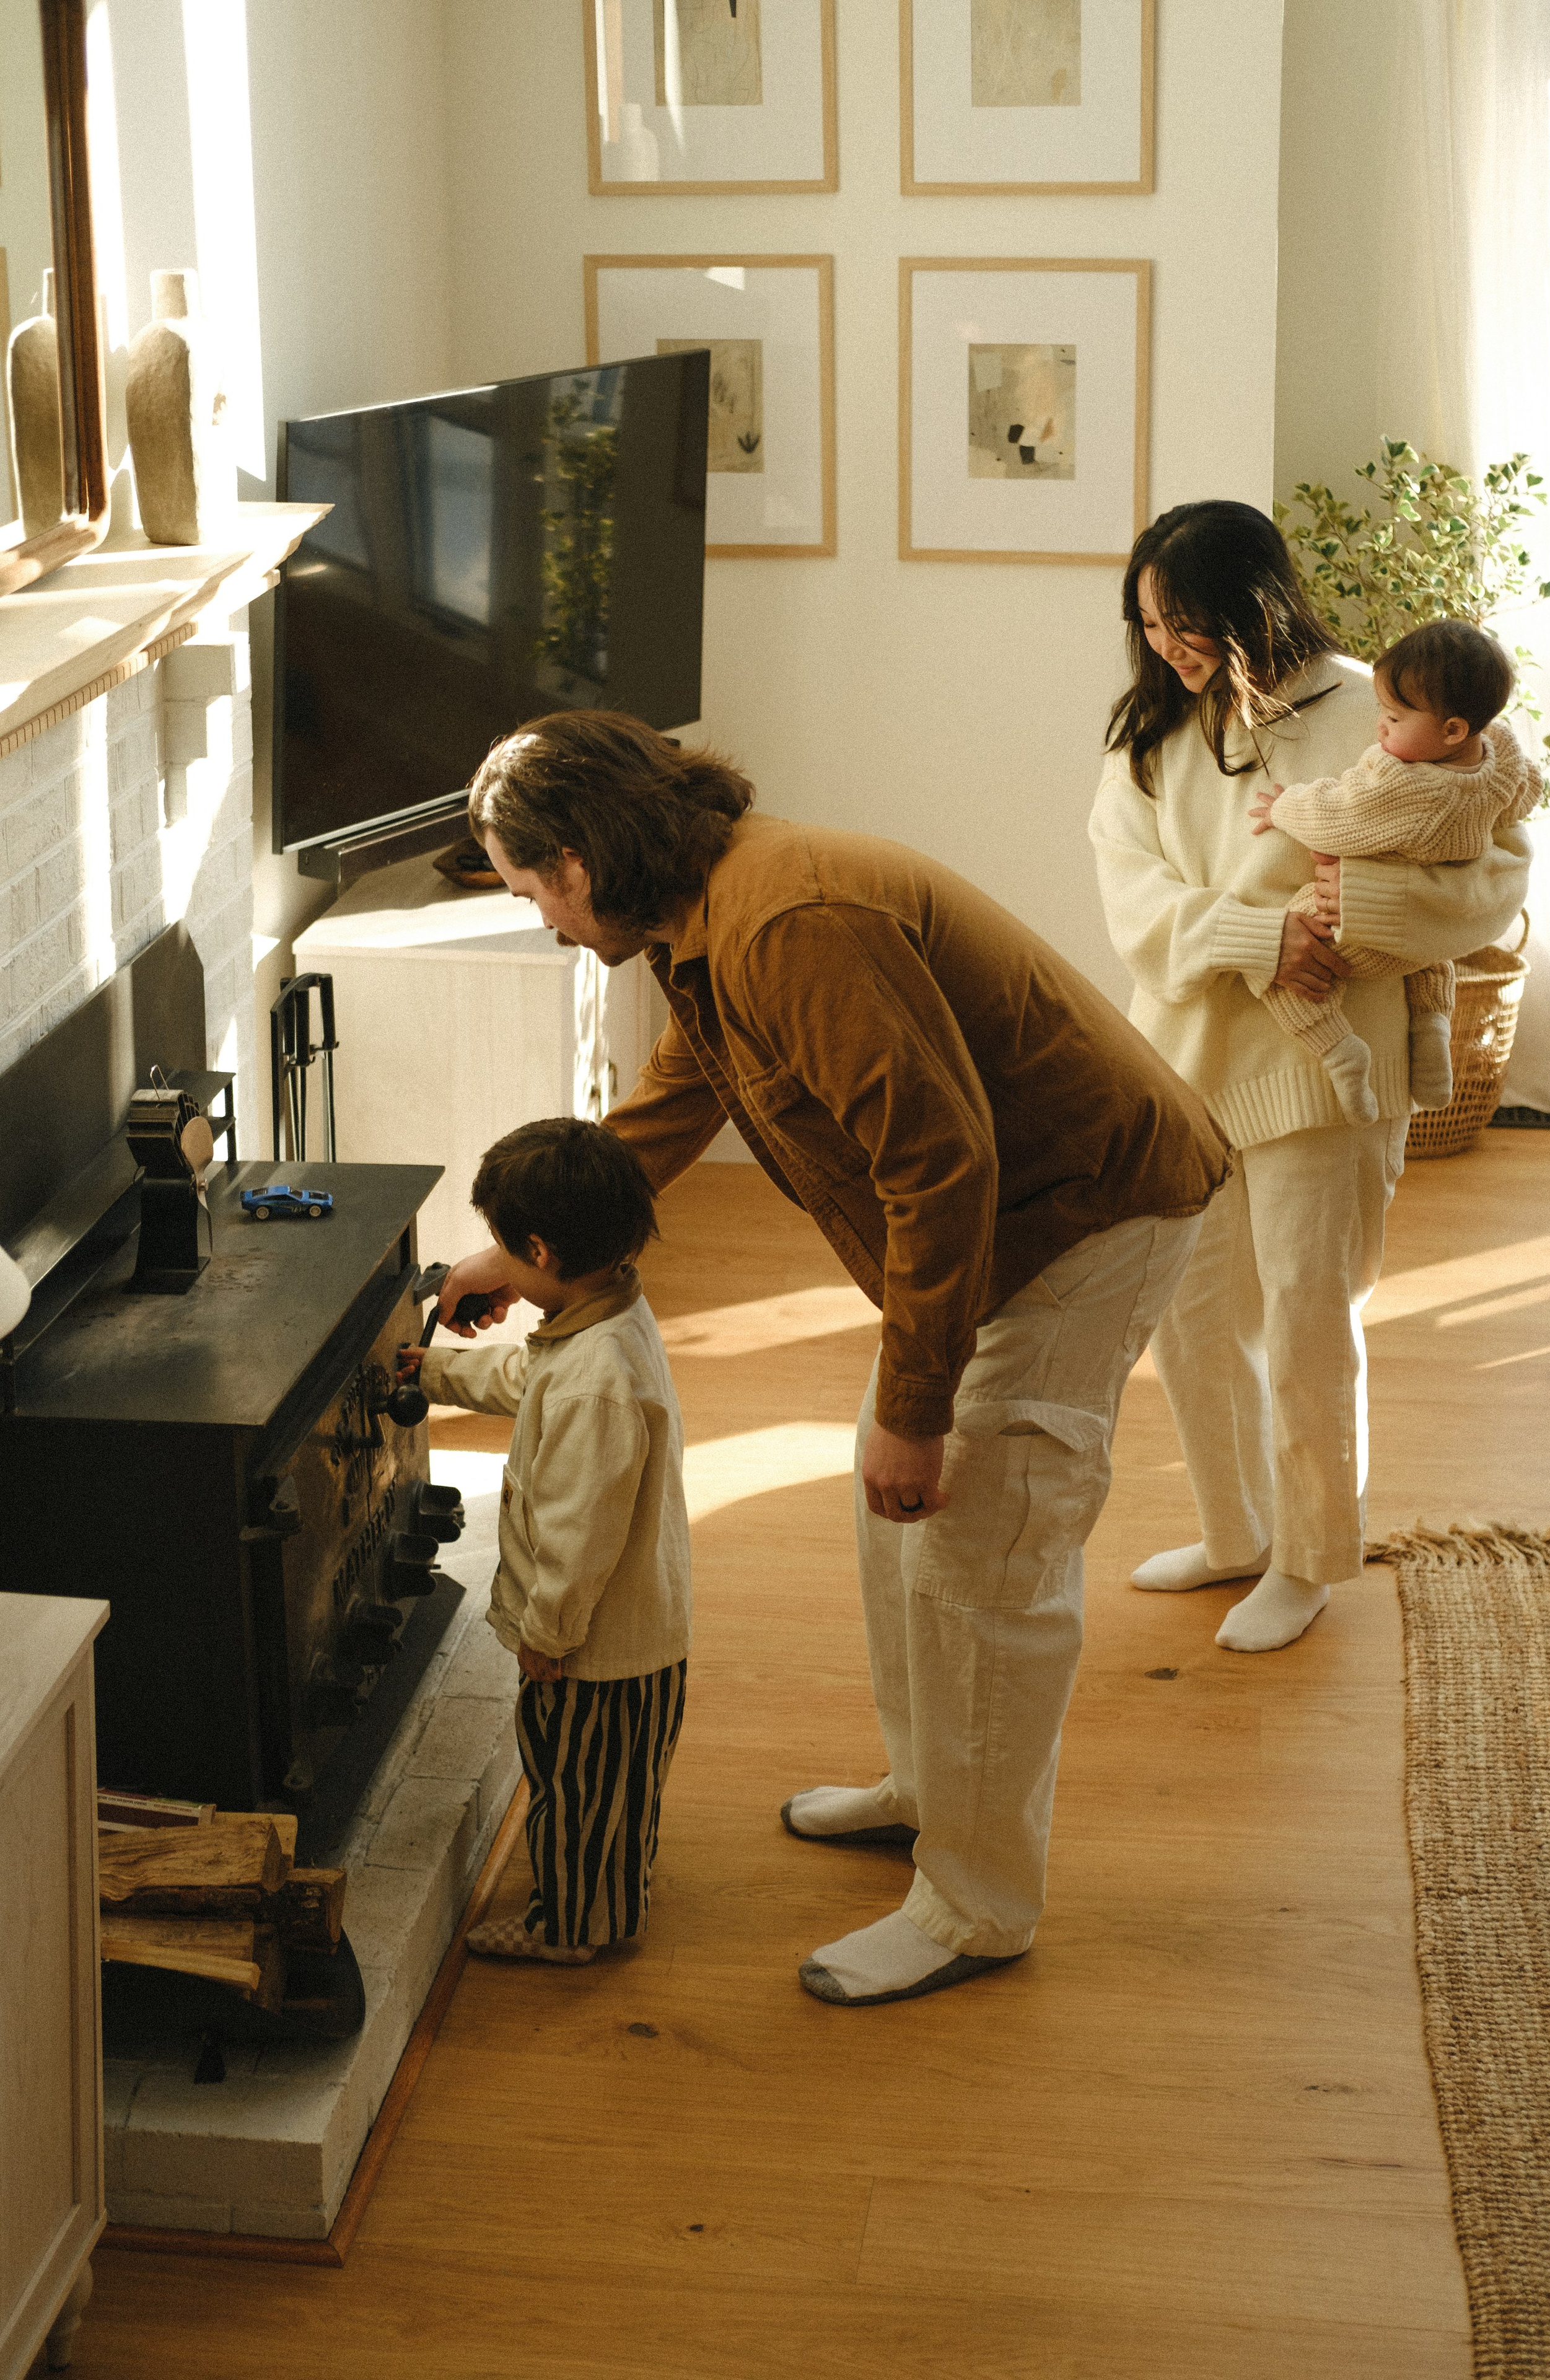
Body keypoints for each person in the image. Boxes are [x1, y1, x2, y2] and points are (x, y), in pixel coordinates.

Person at [436, 709, 1230, 2008]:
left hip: (1081, 1213)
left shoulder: (784, 923)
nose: (540, 920)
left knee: (979, 1550)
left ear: (578, 860)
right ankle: (931, 1790)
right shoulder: (708, 911)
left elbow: (940, 1161)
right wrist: (524, 1255)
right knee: (893, 1528)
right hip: (1001, 1221)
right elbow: (684, 1089)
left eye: (530, 891)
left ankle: (976, 1906)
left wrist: (918, 1408)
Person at [1090, 502, 1530, 1654]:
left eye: (1186, 623)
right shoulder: (1147, 736)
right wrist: (1257, 938)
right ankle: (1237, 1530)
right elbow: (1131, 902)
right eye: (1148, 623)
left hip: (1324, 1077)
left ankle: (1307, 1556)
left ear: (1252, 606)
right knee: (1190, 1316)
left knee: (1307, 1321)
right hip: (1185, 1066)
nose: (1167, 647)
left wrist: (1354, 915)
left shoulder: (1378, 708)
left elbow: (1491, 887)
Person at [400, 1117, 690, 1964]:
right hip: (639, 1639)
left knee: (572, 1784)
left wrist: (546, 1636)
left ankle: (570, 1928)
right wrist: (431, 1372)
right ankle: (615, 1891)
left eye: (505, 1252)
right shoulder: (604, 1317)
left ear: (541, 1251)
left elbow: (578, 1536)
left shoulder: (593, 1388)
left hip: (594, 1652)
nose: (498, 1265)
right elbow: (529, 1377)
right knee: (615, 1788)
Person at [1250, 618, 1541, 1125]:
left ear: (1452, 730)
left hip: (1354, 928)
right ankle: (1431, 1029)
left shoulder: (1404, 788)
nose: (1379, 726)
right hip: (1423, 937)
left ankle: (1342, 1053)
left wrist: (1283, 807)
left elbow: (1337, 817)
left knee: (1278, 975)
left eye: (1393, 717)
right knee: (1433, 959)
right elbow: (1526, 794)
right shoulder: (1503, 759)